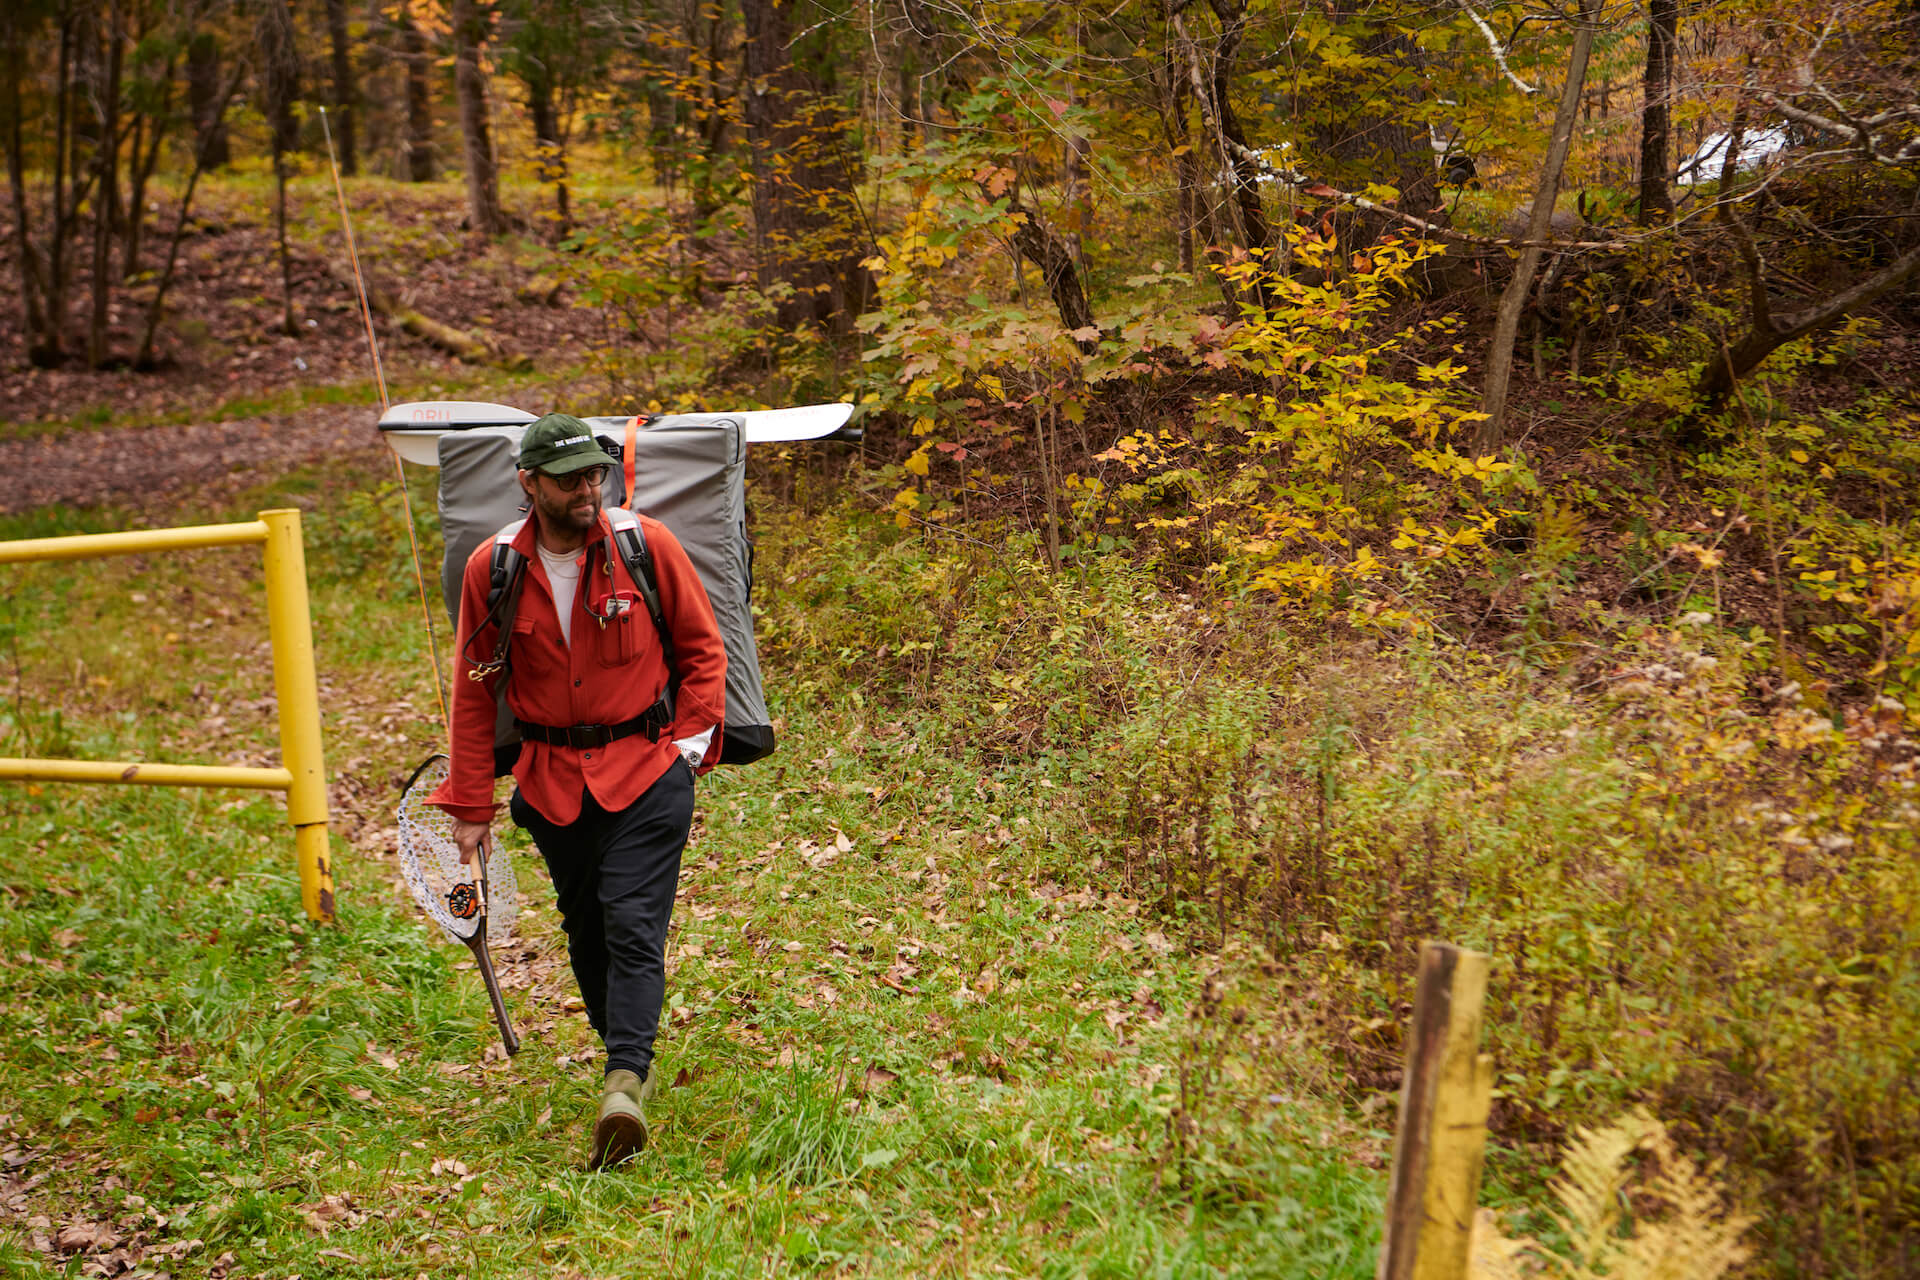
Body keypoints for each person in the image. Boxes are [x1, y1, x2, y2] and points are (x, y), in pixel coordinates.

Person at [430, 412, 727, 1169]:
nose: (587, 489)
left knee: (632, 924)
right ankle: (624, 1050)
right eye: (568, 480)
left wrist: (685, 755)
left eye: (594, 473)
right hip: (553, 785)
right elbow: (473, 693)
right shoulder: (492, 569)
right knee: (587, 933)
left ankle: (624, 1082)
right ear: (530, 484)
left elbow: (702, 649)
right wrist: (469, 805)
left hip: (647, 771)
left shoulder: (642, 546)